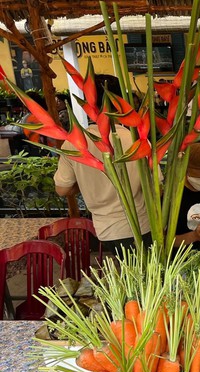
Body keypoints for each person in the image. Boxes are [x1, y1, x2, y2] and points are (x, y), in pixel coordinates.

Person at [54, 74, 152, 255]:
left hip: (106, 230)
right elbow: (155, 186)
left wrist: (84, 183)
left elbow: (62, 189)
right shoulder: (136, 140)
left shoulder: (74, 143)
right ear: (120, 102)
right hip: (143, 224)